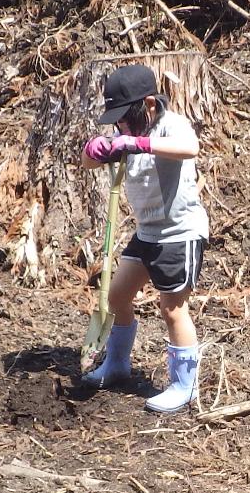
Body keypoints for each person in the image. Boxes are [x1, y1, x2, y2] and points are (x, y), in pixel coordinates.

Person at [76, 64, 209, 413]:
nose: (120, 126)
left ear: (149, 104)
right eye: (116, 121)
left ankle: (184, 384)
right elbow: (89, 163)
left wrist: (138, 142)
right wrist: (95, 149)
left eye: (125, 118)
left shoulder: (170, 125)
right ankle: (117, 363)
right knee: (117, 296)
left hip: (179, 234)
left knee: (172, 310)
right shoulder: (126, 133)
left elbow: (190, 147)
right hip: (147, 234)